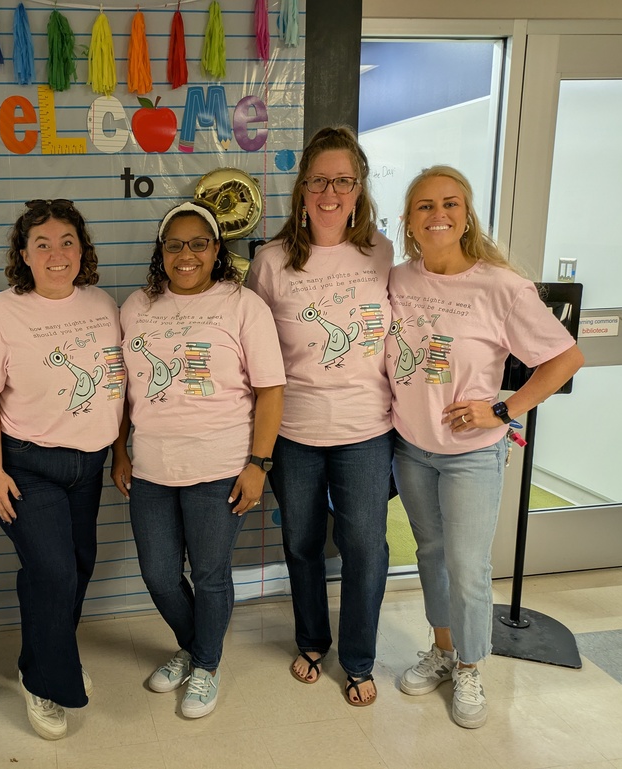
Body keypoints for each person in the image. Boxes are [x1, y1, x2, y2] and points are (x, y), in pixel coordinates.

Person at [389, 165, 583, 729]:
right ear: (408, 221)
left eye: (450, 203)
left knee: (468, 564)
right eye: (425, 206)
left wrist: (502, 409)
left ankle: (471, 666)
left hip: (472, 453)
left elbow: (566, 358)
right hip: (411, 447)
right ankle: (443, 650)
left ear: (467, 214)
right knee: (431, 553)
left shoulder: (501, 287)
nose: (438, 214)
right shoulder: (398, 280)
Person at [112, 201, 285, 718]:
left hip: (220, 468)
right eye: (174, 244)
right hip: (151, 468)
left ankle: (205, 664)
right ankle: (193, 647)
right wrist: (119, 451)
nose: (185, 254)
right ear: (160, 252)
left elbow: (271, 390)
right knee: (159, 574)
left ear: (216, 250)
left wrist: (259, 464)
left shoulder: (243, 305)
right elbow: (123, 391)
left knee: (210, 575)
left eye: (198, 244)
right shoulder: (136, 306)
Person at [247, 126, 394, 706]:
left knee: (365, 548)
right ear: (302, 189)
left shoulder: (382, 253)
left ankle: (358, 659)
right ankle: (312, 640)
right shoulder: (271, 261)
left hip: (367, 429)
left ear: (359, 189)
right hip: (295, 431)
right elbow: (254, 354)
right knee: (302, 542)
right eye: (319, 181)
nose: (330, 193)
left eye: (343, 181)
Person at [0, 199, 124, 740]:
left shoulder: (103, 304)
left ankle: (44, 658)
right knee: (53, 573)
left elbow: (116, 383)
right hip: (27, 466)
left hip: (89, 465)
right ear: (23, 254)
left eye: (67, 242)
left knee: (75, 568)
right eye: (42, 244)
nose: (57, 254)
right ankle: (45, 682)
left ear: (82, 250)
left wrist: (120, 451)